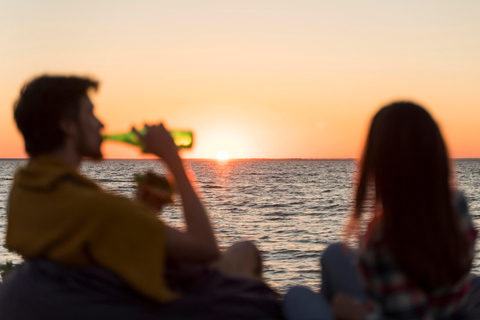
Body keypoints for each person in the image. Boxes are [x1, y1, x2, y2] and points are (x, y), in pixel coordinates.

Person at [0, 75, 280, 319]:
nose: (101, 124)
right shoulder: (100, 208)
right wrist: (172, 158)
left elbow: (90, 239)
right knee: (249, 258)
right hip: (153, 304)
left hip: (89, 294)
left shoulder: (27, 190)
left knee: (241, 251)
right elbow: (204, 246)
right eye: (91, 114)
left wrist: (141, 213)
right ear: (68, 125)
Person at [283, 102, 479, 320]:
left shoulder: (385, 238)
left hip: (397, 313)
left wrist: (359, 314)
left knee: (296, 296)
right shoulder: (455, 205)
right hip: (445, 306)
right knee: (335, 253)